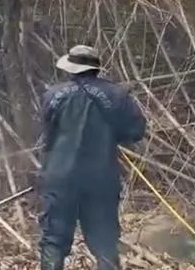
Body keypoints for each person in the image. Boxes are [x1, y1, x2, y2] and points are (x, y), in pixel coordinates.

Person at [38, 45, 147, 270]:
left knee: (54, 240)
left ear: (71, 68)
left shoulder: (52, 95)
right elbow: (135, 132)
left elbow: (48, 133)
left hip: (60, 177)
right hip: (100, 179)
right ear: (96, 69)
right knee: (104, 240)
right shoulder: (118, 95)